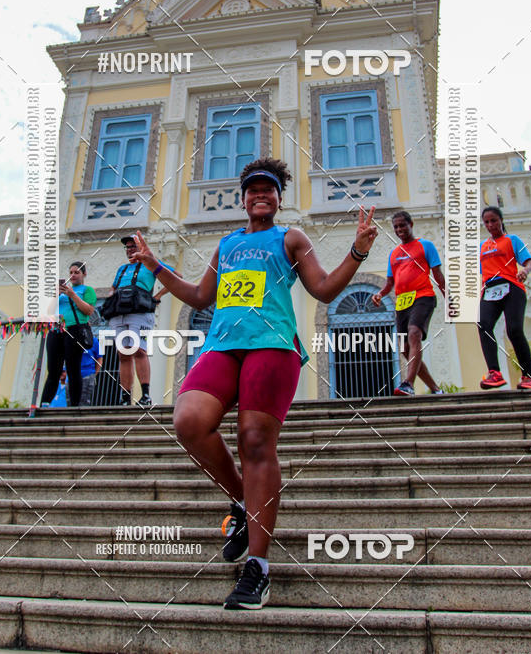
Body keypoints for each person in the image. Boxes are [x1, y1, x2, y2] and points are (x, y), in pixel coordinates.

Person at [130, 157, 378, 610]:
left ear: (279, 199)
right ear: (242, 199)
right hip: (223, 346)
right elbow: (202, 296)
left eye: (269, 190)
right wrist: (154, 265)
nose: (260, 195)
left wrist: (358, 251)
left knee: (254, 440)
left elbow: (322, 289)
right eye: (252, 190)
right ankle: (243, 503)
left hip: (273, 345)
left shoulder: (291, 238)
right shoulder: (226, 245)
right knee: (188, 420)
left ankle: (258, 569)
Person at [372, 211, 445, 396]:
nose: (399, 230)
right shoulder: (394, 254)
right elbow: (390, 282)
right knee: (405, 349)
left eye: (402, 225)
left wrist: (448, 297)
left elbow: (437, 274)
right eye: (396, 227)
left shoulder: (425, 245)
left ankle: (408, 384)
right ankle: (435, 389)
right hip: (403, 302)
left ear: (411, 224)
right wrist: (380, 294)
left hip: (423, 296)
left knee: (414, 334)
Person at [105, 235, 178, 407]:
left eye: (133, 246)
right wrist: (110, 298)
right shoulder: (122, 269)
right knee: (123, 353)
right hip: (120, 311)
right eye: (128, 247)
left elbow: (176, 276)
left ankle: (145, 394)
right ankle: (125, 396)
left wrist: (157, 296)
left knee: (139, 350)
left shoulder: (150, 264)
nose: (130, 249)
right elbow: (113, 287)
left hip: (140, 310)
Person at [478, 206, 531, 390]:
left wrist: (525, 271)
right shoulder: (482, 246)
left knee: (514, 329)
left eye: (493, 220)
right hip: (490, 290)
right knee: (483, 324)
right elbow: (483, 272)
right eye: (486, 222)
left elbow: (529, 261)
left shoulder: (512, 240)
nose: (490, 225)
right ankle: (494, 373)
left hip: (512, 288)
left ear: (501, 220)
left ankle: (528, 377)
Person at [40, 262, 96, 407]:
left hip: (75, 330)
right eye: (71, 272)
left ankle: (74, 405)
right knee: (53, 370)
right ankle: (45, 403)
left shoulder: (87, 290)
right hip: (57, 330)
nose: (73, 275)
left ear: (84, 274)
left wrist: (72, 295)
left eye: (76, 272)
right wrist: (56, 295)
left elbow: (88, 311)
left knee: (73, 368)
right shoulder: (61, 293)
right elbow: (48, 311)